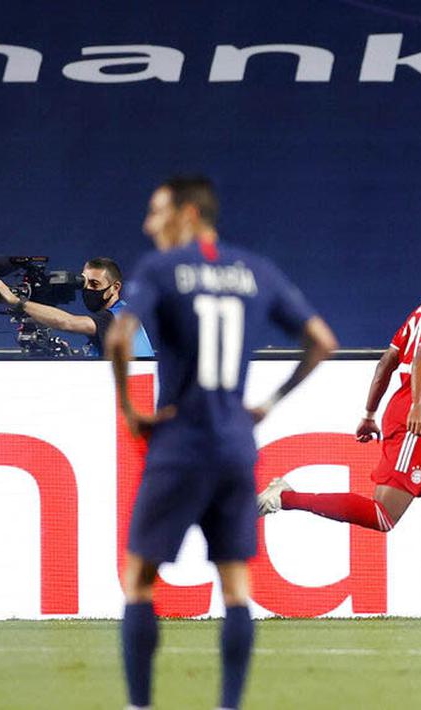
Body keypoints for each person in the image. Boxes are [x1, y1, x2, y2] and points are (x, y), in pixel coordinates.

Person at [106, 175, 337, 710]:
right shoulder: (256, 270)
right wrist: (268, 405)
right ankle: (229, 706)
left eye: (157, 211)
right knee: (236, 587)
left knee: (139, 578)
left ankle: (140, 705)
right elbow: (322, 341)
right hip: (235, 443)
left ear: (188, 214)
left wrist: (129, 408)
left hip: (180, 443)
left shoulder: (160, 269)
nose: (149, 224)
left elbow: (118, 335)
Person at [256, 240, 421, 630]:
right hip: (418, 422)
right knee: (383, 516)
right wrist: (416, 405)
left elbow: (388, 360)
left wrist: (368, 413)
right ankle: (285, 496)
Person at [0, 257, 155, 357]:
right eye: (85, 283)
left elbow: (67, 322)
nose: (88, 289)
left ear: (115, 287)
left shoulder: (117, 318)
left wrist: (18, 302)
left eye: (95, 284)